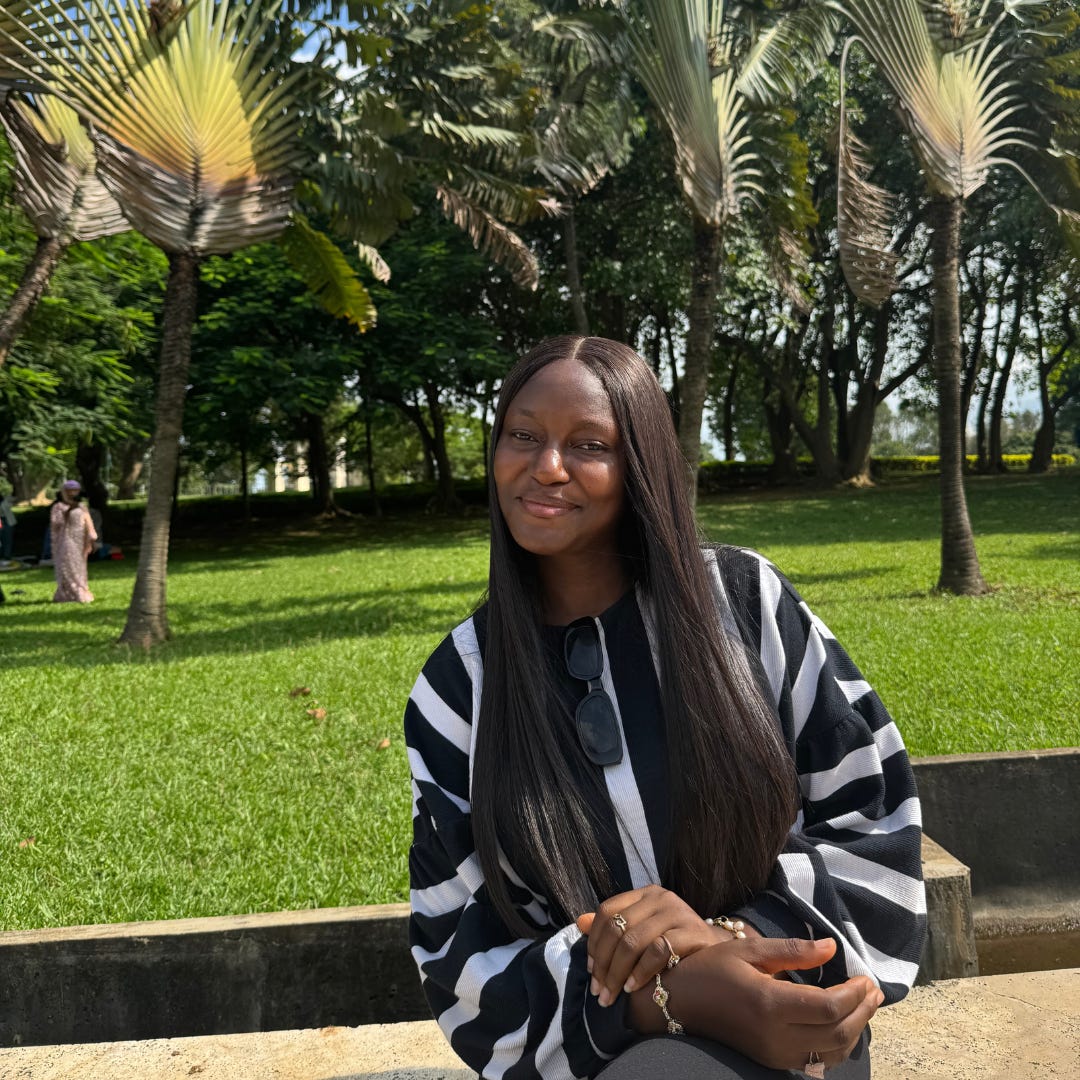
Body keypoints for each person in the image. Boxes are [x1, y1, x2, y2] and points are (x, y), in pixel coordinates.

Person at [404, 337, 925, 1080]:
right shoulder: (461, 684)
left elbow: (875, 818)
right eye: (523, 435)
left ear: (641, 464)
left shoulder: (743, 606)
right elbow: (459, 955)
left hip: (786, 1008)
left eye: (589, 445)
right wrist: (666, 993)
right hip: (595, 1054)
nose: (546, 466)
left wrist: (737, 937)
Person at [50, 479, 97, 603]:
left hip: (80, 540)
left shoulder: (82, 506)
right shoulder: (58, 507)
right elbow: (56, 524)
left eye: (75, 490)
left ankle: (81, 590)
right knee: (67, 565)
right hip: (66, 540)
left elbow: (88, 523)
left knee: (79, 566)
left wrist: (92, 539)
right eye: (69, 491)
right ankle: (67, 593)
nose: (72, 493)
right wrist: (69, 510)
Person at [0, 488, 16, 566]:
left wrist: (14, 489)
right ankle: (3, 556)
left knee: (8, 539)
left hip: (7, 521)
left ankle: (7, 556)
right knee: (2, 540)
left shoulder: (5, 501)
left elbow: (13, 497)